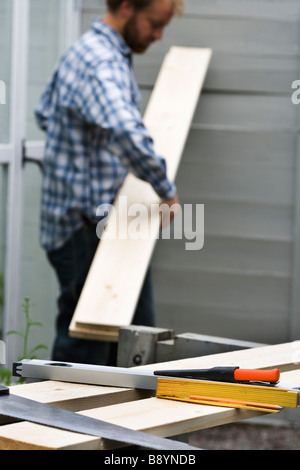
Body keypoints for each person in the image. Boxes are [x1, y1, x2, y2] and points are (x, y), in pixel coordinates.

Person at [34, 0, 184, 365]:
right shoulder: (103, 62)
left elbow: (44, 113)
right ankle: (59, 419)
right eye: (154, 24)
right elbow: (123, 130)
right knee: (88, 347)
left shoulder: (84, 50)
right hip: (86, 228)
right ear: (128, 7)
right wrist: (165, 191)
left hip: (86, 222)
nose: (158, 35)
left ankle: (98, 417)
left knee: (126, 337)